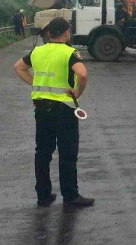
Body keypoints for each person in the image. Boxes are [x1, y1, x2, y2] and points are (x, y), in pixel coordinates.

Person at [13, 18, 94, 208]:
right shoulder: (70, 52)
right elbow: (82, 74)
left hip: (41, 109)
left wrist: (35, 83)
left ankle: (43, 194)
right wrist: (78, 91)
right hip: (64, 110)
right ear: (66, 32)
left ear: (49, 34)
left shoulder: (38, 51)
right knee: (67, 153)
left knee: (42, 152)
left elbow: (18, 67)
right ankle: (70, 195)